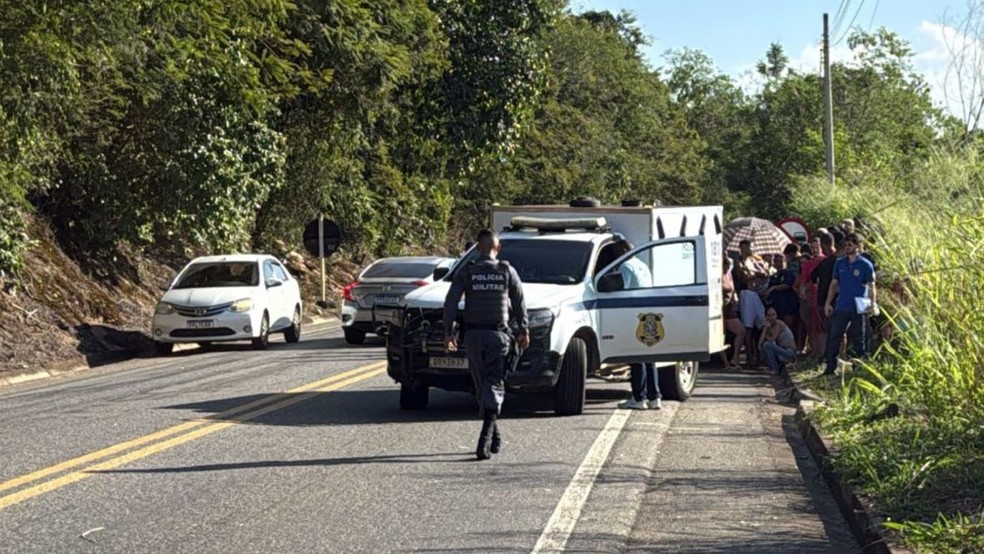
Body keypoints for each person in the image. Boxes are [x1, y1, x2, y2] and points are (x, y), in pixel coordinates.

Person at [444, 229, 529, 460]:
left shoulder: (468, 271)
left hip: (473, 337)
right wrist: (523, 330)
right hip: (498, 336)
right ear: (497, 248)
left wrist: (448, 331)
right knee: (493, 383)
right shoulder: (506, 271)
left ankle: (490, 435)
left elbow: (451, 301)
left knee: (483, 385)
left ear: (478, 248)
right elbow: (519, 302)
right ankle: (487, 435)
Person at [607, 240, 662, 410]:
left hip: (632, 314)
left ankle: (639, 397)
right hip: (647, 313)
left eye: (617, 251)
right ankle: (654, 397)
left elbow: (623, 290)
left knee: (636, 358)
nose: (616, 256)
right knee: (649, 357)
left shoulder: (626, 267)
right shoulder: (642, 265)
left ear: (624, 250)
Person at [823, 232, 876, 376]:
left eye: (850, 244)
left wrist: (873, 303)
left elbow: (871, 286)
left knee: (860, 338)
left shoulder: (866, 265)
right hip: (842, 305)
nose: (847, 247)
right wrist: (828, 303)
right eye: (845, 245)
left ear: (858, 246)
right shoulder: (840, 263)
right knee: (835, 336)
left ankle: (859, 369)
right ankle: (830, 368)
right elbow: (834, 284)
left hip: (860, 305)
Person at [737, 239, 769, 367]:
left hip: (756, 294)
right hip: (746, 294)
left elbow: (764, 273)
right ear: (743, 247)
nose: (751, 249)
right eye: (749, 247)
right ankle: (749, 358)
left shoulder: (753, 260)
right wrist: (757, 274)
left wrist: (760, 271)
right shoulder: (739, 261)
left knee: (762, 322)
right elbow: (745, 277)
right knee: (748, 327)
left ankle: (760, 354)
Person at [719, 255, 745, 368]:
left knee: (741, 331)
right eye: (725, 266)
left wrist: (734, 296)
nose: (727, 269)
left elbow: (732, 288)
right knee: (721, 336)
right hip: (721, 309)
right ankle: (725, 362)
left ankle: (735, 358)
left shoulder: (729, 274)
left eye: (728, 266)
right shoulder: (717, 276)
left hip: (730, 308)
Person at [759, 307, 797, 374]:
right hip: (781, 350)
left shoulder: (779, 324)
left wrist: (767, 335)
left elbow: (772, 340)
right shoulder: (768, 326)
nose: (772, 317)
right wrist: (765, 329)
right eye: (769, 315)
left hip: (789, 352)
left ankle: (775, 369)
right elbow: (759, 344)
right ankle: (771, 366)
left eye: (774, 315)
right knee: (764, 346)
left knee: (767, 345)